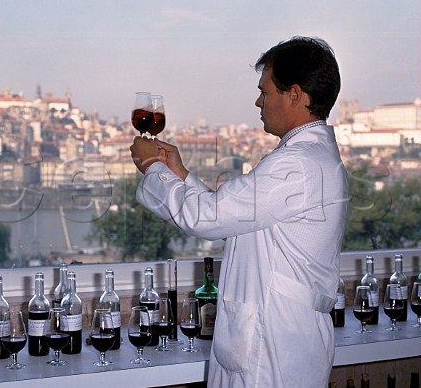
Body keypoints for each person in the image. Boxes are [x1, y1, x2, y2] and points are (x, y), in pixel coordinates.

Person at [130, 36, 349, 387]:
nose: (258, 101)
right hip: (280, 339)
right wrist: (182, 176)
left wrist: (152, 167)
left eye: (265, 91)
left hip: (272, 348)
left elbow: (207, 218)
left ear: (294, 95)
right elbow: (236, 217)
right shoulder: (309, 159)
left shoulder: (297, 165)